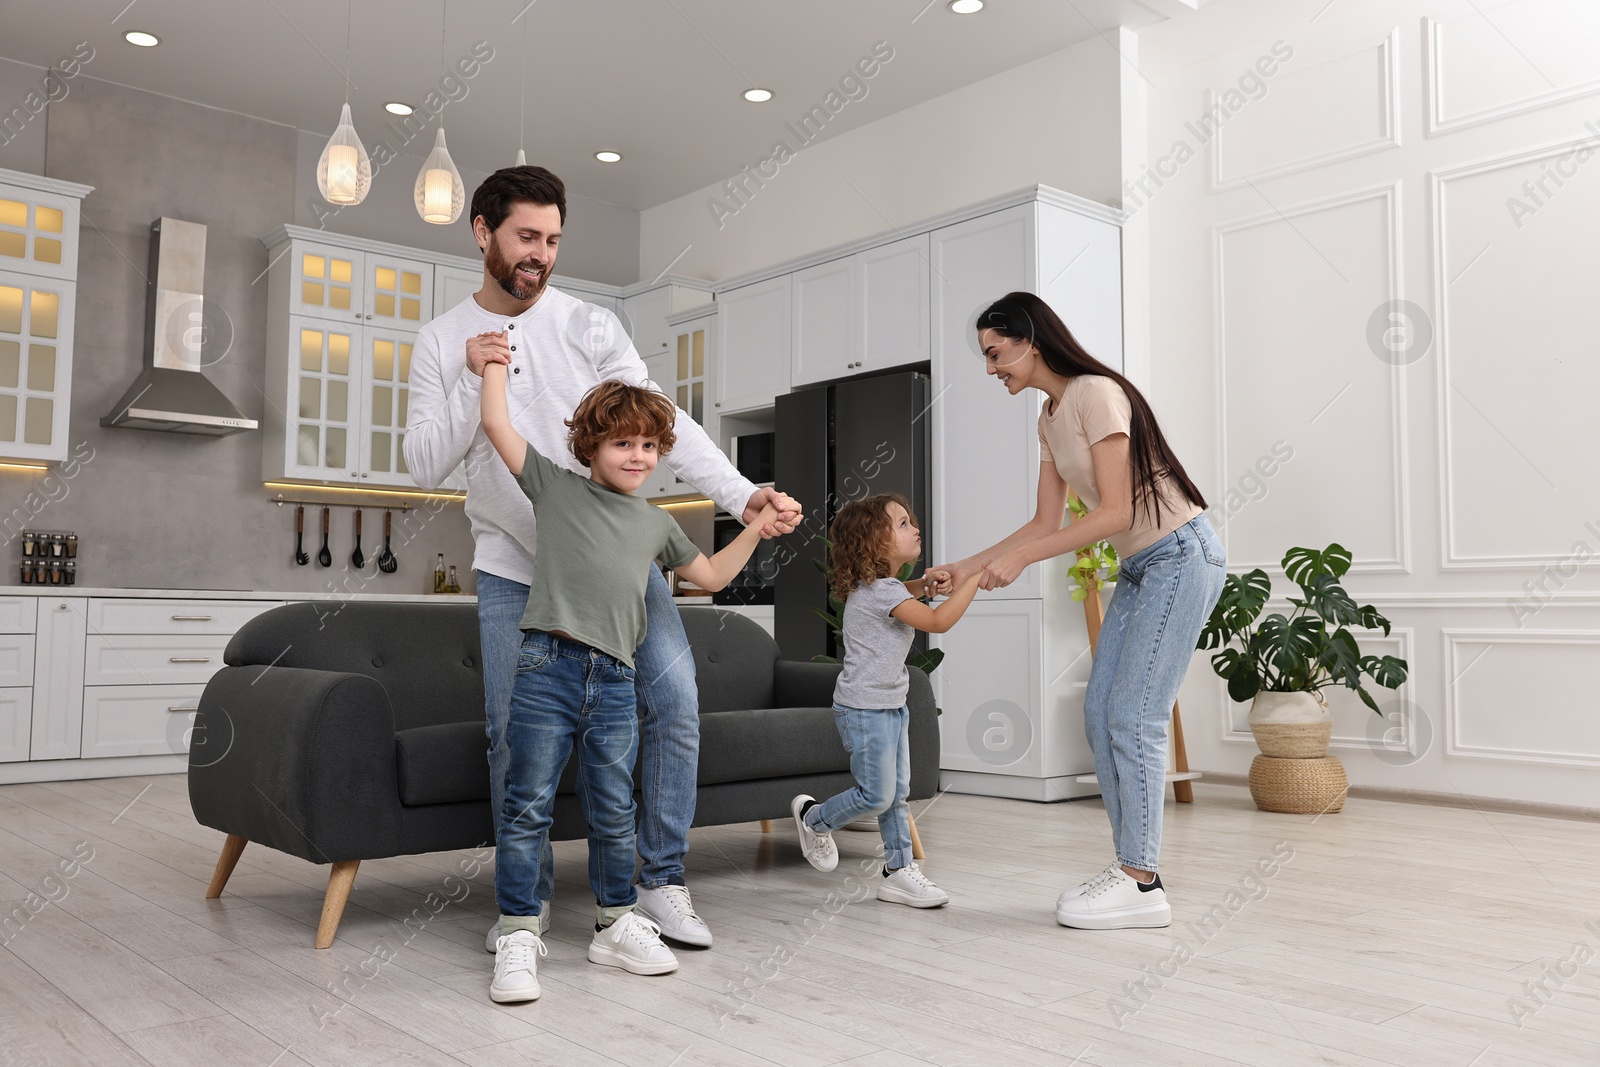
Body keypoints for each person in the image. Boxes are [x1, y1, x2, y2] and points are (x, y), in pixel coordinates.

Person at [404, 166, 801, 954]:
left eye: (552, 240)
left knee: (676, 701)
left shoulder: (589, 324)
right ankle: (528, 906)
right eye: (526, 237)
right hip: (513, 568)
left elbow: (664, 422)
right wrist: (472, 372)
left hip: (620, 563)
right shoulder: (442, 338)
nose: (540, 254)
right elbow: (421, 464)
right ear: (482, 233)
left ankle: (659, 883)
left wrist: (740, 495)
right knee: (511, 734)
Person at [930, 292, 1225, 930]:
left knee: (1135, 714)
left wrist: (1028, 559)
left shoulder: (1096, 393)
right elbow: (1043, 519)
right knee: (1102, 712)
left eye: (994, 352)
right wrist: (968, 567)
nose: (990, 369)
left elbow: (1114, 512)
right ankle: (1130, 870)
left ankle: (1142, 882)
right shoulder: (1049, 416)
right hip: (1144, 565)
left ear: (1029, 339)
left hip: (1180, 553)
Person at [480, 370, 778, 1003]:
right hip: (546, 670)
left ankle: (614, 922)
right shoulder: (554, 488)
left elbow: (715, 576)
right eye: (622, 444)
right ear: (590, 448)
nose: (637, 456)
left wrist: (757, 522)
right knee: (526, 803)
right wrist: (494, 370)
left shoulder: (657, 523)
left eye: (648, 445)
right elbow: (499, 426)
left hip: (616, 677)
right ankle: (516, 932)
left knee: (615, 811)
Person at [791, 494, 980, 907]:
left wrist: (924, 586)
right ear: (873, 542)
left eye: (910, 520)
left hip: (891, 703)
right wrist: (974, 580)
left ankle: (899, 870)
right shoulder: (881, 594)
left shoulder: (882, 587)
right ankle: (814, 818)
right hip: (864, 709)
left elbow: (904, 596)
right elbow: (937, 621)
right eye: (901, 524)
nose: (914, 527)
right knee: (878, 795)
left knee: (897, 794)